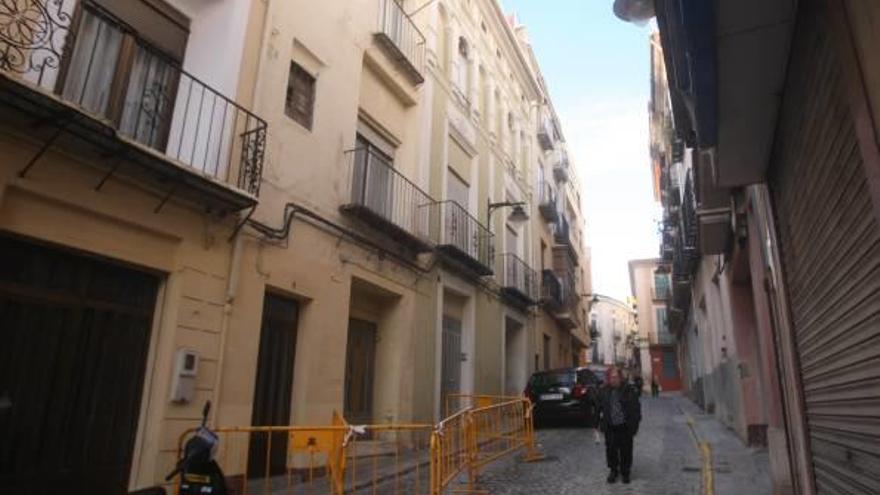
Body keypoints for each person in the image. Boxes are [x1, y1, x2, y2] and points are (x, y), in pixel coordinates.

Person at [594, 366, 641, 484]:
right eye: (611, 377)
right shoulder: (603, 391)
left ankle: (625, 472)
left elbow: (636, 409)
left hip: (625, 426)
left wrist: (634, 426)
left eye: (615, 377)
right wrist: (596, 424)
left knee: (626, 450)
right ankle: (613, 471)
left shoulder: (629, 390)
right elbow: (598, 408)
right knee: (611, 450)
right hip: (610, 426)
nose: (613, 380)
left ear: (620, 377)